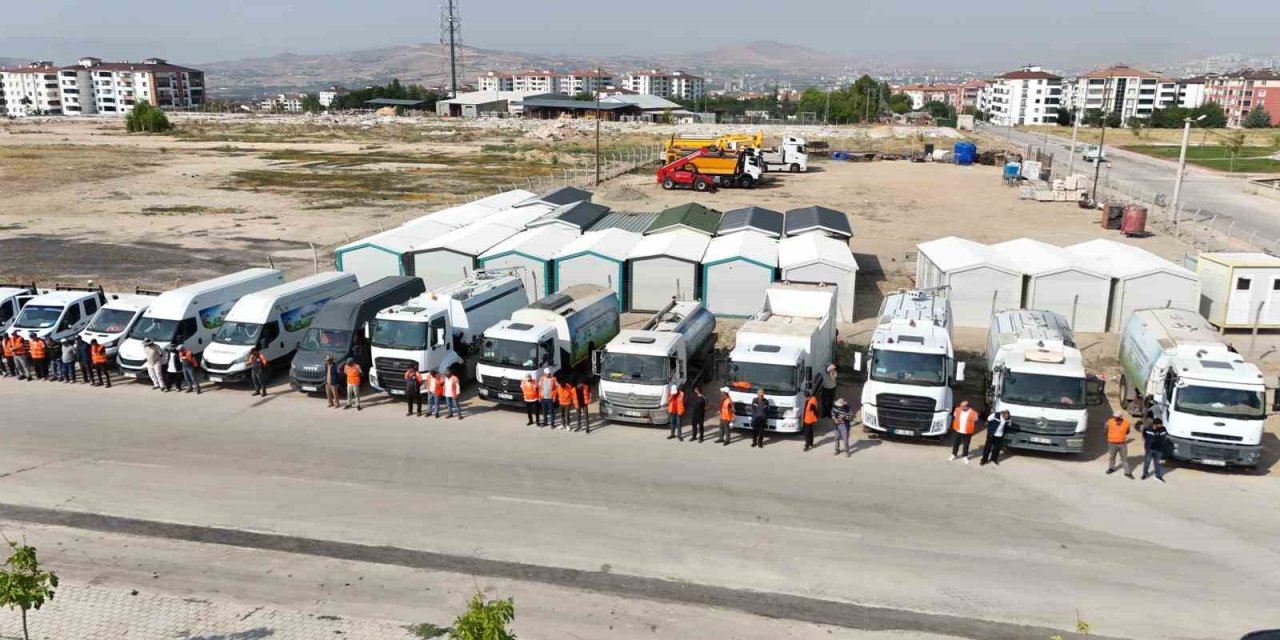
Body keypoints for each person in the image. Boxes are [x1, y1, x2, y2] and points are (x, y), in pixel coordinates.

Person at [1105, 411, 1134, 478]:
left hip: (1122, 444)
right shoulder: (1109, 422)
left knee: (1124, 458)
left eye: (1116, 417)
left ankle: (1127, 472)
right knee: (1112, 457)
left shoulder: (1126, 423)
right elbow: (1105, 430)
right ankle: (1111, 468)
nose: (1115, 418)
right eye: (1114, 417)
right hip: (1112, 443)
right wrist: (1110, 437)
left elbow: (1127, 431)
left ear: (1120, 417)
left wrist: (1120, 436)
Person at [1141, 418, 1168, 483]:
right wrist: (1147, 443)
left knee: (1157, 463)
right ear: (1155, 424)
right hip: (1149, 449)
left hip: (1159, 449)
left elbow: (1163, 437)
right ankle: (1145, 474)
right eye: (1159, 424)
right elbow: (1144, 435)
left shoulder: (1163, 429)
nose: (1161, 425)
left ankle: (1158, 476)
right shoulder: (1148, 429)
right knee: (1147, 462)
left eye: (1161, 424)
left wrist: (1155, 438)